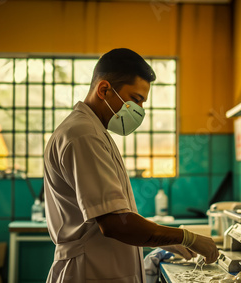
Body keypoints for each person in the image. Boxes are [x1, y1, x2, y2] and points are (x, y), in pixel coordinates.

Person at [44, 48, 219, 283]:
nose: (139, 111)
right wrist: (186, 237)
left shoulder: (95, 131)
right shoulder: (83, 134)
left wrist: (170, 240)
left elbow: (119, 215)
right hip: (89, 271)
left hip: (101, 268)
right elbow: (115, 224)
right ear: (104, 89)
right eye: (135, 100)